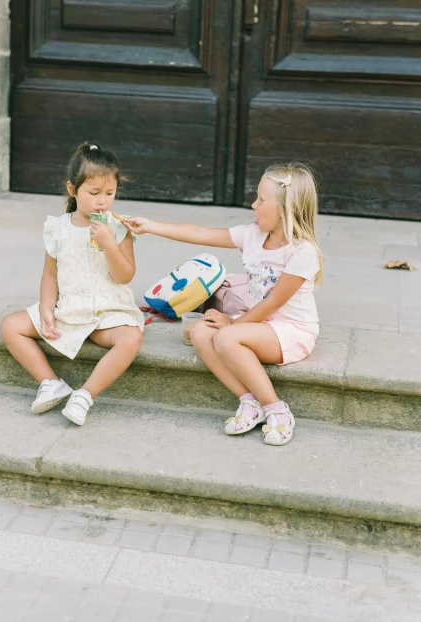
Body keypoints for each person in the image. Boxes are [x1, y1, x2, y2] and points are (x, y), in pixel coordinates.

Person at [124, 164, 322, 446]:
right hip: (258, 324)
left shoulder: (302, 251)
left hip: (291, 330)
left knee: (226, 336)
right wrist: (151, 226)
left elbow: (274, 301)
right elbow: (200, 232)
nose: (254, 205)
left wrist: (233, 324)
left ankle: (276, 408)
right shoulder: (253, 235)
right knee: (201, 333)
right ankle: (249, 401)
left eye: (261, 200)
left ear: (285, 209)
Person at [0, 144, 143, 425]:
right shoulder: (58, 227)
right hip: (70, 310)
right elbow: (50, 274)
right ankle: (51, 383)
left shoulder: (118, 227)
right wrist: (46, 308)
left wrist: (109, 245)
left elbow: (125, 275)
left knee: (131, 337)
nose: (102, 201)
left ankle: (85, 395)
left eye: (109, 193)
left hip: (107, 313)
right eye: (93, 193)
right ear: (72, 189)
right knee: (10, 326)